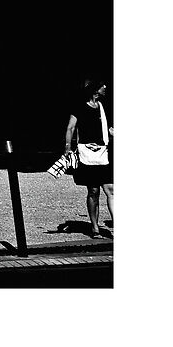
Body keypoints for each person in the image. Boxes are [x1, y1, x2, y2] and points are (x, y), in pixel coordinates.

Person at [64, 78, 113, 238]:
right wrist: (67, 148)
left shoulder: (104, 107)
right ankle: (95, 227)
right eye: (102, 85)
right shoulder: (80, 107)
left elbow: (108, 127)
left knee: (111, 189)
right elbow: (71, 127)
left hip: (103, 153)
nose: (105, 87)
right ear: (94, 89)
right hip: (88, 154)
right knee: (93, 191)